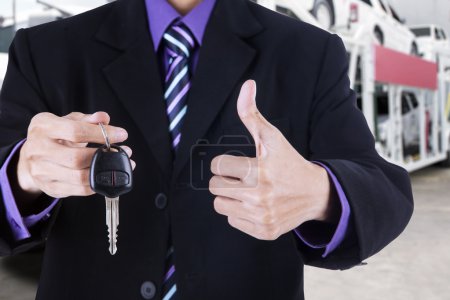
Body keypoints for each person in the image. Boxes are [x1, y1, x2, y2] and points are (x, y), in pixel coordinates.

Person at [0, 0, 414, 299]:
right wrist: (22, 173)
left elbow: (384, 190)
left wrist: (322, 193)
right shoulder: (45, 51)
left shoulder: (309, 53)